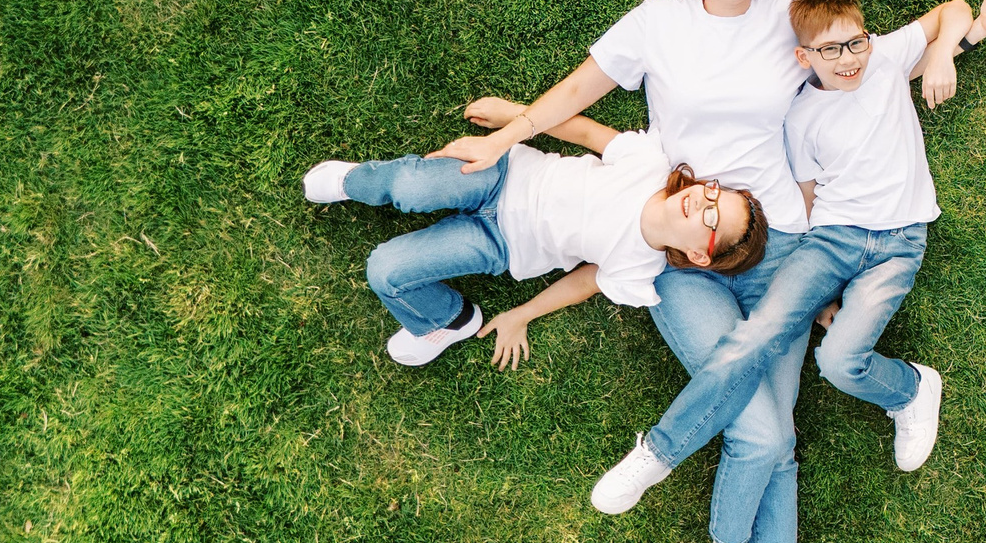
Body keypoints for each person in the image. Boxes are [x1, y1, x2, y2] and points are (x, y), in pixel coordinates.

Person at [437, 0, 822, 543]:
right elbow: (582, 94)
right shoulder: (659, 24)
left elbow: (871, 62)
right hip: (685, 240)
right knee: (762, 430)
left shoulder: (791, 21)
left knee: (775, 437)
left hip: (778, 241)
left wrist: (962, 34)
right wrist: (514, 132)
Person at [587, 0, 986, 511]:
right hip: (830, 242)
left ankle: (911, 389)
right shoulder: (799, 117)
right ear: (803, 58)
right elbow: (809, 196)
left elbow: (953, 9)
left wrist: (949, 52)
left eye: (855, 43)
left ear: (869, 38)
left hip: (900, 240)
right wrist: (813, 289)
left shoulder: (884, 60)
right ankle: (659, 451)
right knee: (758, 332)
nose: (848, 59)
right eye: (830, 50)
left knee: (841, 364)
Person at [302, 124, 767, 367]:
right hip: (504, 174)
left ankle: (450, 320)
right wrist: (512, 120)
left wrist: (520, 314)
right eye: (713, 193)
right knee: (408, 186)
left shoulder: (638, 269)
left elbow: (584, 282)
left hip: (500, 243)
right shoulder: (648, 164)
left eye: (712, 218)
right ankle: (352, 180)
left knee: (385, 269)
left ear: (700, 255)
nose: (703, 200)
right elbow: (584, 133)